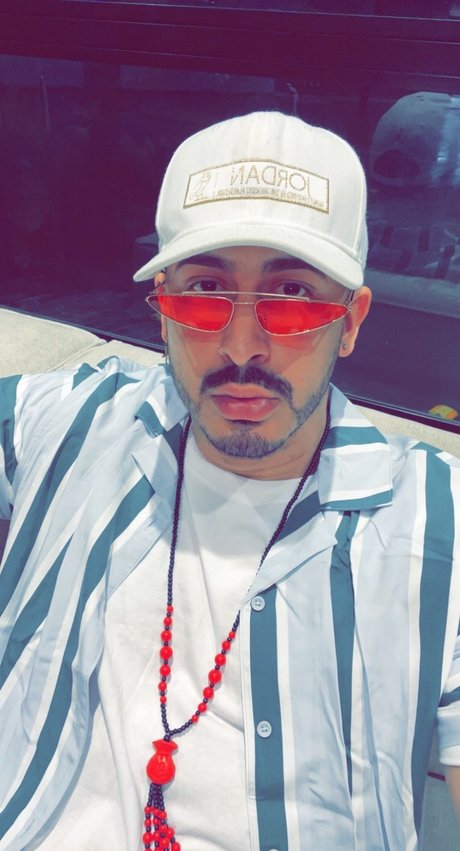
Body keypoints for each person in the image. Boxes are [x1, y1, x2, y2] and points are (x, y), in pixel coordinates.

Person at [0, 111, 459, 851]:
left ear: (350, 321)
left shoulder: (438, 524)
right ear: (160, 311)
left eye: (293, 297)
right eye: (205, 290)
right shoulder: (80, 419)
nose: (242, 347)